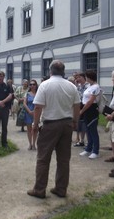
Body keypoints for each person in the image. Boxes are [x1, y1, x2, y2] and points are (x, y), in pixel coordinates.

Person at [27, 60, 80, 199]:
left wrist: (35, 124)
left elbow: (38, 107)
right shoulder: (71, 86)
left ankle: (39, 189)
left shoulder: (45, 85)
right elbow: (76, 106)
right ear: (63, 71)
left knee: (43, 158)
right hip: (67, 123)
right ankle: (61, 189)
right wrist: (75, 121)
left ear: (50, 71)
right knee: (63, 159)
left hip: (50, 124)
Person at [79, 70, 101, 159]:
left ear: (89, 77)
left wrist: (82, 110)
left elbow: (90, 101)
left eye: (86, 77)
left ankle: (95, 151)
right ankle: (88, 148)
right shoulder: (89, 86)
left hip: (91, 109)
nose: (86, 78)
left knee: (93, 130)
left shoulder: (96, 87)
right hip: (86, 109)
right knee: (88, 129)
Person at [73, 72, 89, 147]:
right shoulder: (78, 86)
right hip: (79, 105)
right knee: (79, 123)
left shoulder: (87, 86)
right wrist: (76, 85)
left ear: (83, 77)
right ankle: (81, 140)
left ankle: (88, 141)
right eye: (77, 78)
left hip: (85, 105)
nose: (77, 79)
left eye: (79, 77)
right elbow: (75, 94)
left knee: (85, 124)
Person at [23, 79, 38, 150]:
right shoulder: (27, 93)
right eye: (31, 84)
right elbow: (24, 103)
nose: (32, 86)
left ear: (36, 85)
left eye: (33, 84)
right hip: (28, 113)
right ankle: (30, 144)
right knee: (29, 129)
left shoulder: (38, 93)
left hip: (36, 113)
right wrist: (29, 111)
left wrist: (34, 111)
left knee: (35, 129)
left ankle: (34, 144)